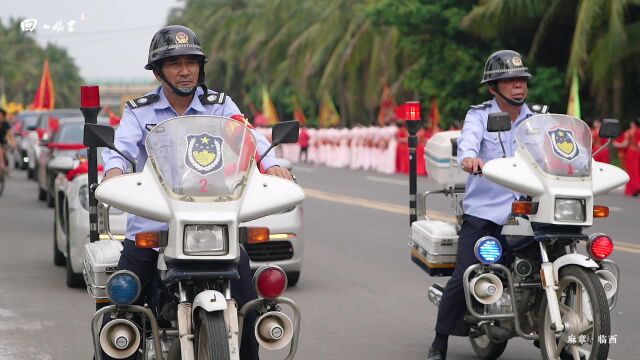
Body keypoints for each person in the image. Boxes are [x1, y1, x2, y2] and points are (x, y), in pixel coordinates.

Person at [100, 25, 293, 360]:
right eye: (175, 63)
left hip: (212, 220)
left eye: (191, 62)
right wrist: (114, 171)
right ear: (159, 71)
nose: (185, 70)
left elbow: (249, 138)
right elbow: (121, 150)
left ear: (201, 67)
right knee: (123, 304)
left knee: (249, 298)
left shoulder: (219, 105)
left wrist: (270, 163)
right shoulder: (138, 111)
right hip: (154, 225)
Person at [427, 50, 541, 360]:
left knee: (548, 259)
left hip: (527, 213)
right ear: (493, 88)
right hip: (486, 214)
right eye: (510, 81)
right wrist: (468, 158)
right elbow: (469, 141)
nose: (519, 86)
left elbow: (555, 148)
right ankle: (439, 342)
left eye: (522, 80)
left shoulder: (538, 119)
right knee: (466, 272)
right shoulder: (478, 115)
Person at [613, 118, 640, 196]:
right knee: (637, 170)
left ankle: (634, 188)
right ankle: (637, 187)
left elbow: (625, 144)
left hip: (631, 153)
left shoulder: (629, 132)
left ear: (633, 124)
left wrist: (616, 144)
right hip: (638, 153)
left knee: (631, 171)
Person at [0, 108, 16, 174]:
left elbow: (10, 134)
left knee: (8, 154)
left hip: (3, 143)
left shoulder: (6, 124)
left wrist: (13, 143)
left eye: (1, 116)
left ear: (3, 117)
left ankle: (7, 166)